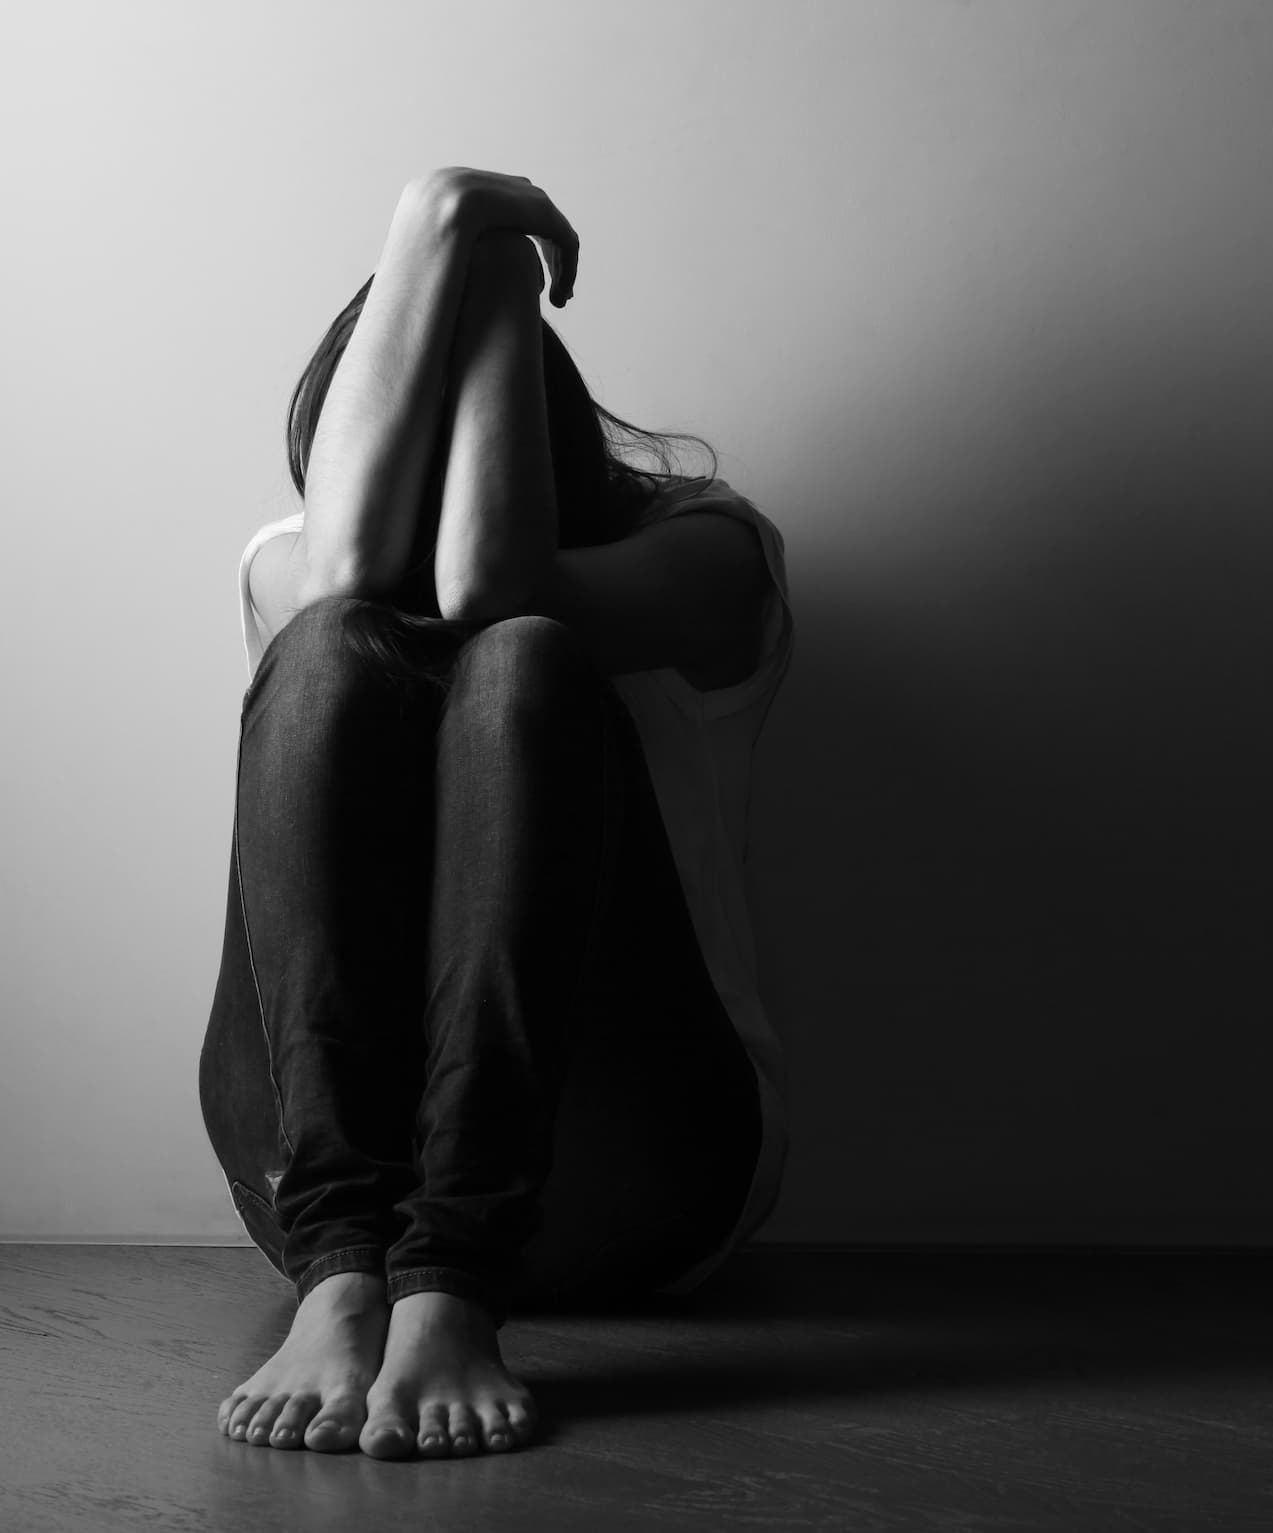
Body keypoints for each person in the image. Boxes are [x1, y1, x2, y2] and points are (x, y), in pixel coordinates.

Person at [200, 167, 793, 1459]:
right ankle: (356, 1274)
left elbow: (494, 583)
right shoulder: (285, 563)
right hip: (310, 1198)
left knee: (522, 657)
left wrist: (498, 292)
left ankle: (457, 1278)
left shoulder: (713, 552)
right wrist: (434, 218)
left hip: (630, 1172)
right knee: (329, 651)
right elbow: (354, 568)